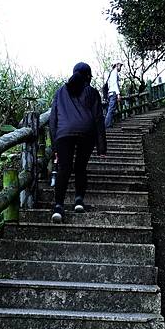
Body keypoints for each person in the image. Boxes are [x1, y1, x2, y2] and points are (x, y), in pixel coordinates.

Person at [49, 62, 106, 223]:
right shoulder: (92, 92)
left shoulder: (60, 92)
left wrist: (54, 146)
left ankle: (58, 207)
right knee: (80, 167)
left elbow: (53, 119)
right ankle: (79, 200)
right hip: (86, 132)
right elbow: (98, 118)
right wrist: (102, 147)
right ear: (88, 76)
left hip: (64, 133)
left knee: (64, 168)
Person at [104, 62, 123, 129]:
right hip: (113, 93)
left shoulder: (111, 73)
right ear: (117, 65)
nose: (121, 67)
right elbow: (115, 84)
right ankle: (107, 125)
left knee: (111, 109)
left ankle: (109, 124)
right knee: (111, 109)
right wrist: (118, 94)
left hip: (110, 93)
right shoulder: (114, 72)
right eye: (120, 66)